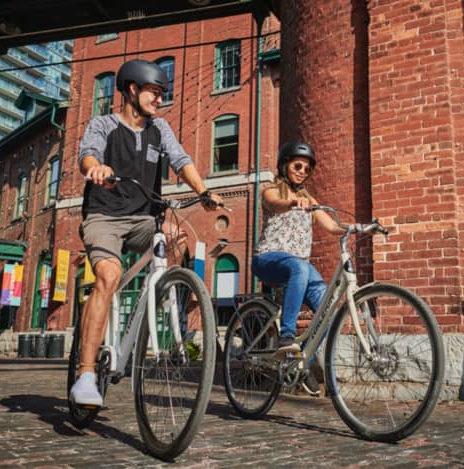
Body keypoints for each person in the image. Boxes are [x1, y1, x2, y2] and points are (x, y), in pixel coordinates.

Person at [71, 59, 223, 408]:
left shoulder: (159, 129)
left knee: (175, 235)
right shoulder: (103, 124)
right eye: (154, 93)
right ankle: (85, 375)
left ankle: (163, 298)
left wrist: (203, 190)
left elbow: (180, 160)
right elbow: (88, 155)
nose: (159, 99)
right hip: (104, 216)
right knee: (109, 275)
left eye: (161, 94)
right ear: (132, 90)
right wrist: (96, 169)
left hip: (143, 217)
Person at [252, 141, 344, 356]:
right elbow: (275, 204)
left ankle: (301, 365)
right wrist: (292, 203)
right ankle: (287, 335)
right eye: (298, 166)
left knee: (327, 310)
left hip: (298, 265)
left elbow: (331, 226)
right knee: (300, 267)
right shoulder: (271, 190)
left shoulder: (308, 199)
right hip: (267, 258)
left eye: (307, 168)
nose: (303, 172)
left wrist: (360, 228)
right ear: (285, 166)